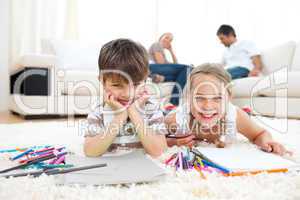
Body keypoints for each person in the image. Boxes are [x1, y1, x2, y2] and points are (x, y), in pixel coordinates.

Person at [164, 63, 291, 156]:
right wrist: (172, 142)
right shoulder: (177, 119)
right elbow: (149, 140)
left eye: (217, 98)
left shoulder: (234, 116)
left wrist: (267, 142)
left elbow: (259, 134)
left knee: (244, 115)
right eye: (199, 98)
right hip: (175, 112)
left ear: (229, 97)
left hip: (233, 113)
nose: (208, 106)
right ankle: (169, 107)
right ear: (188, 98)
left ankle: (246, 111)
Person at [84, 39, 167, 157]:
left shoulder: (151, 106)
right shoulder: (98, 108)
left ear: (146, 80)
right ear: (102, 81)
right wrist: (119, 116)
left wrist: (134, 113)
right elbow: (90, 151)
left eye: (137, 84)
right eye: (117, 85)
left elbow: (159, 151)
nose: (128, 94)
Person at [148, 33, 192, 106]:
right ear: (161, 37)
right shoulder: (157, 44)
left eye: (170, 40)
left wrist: (171, 50)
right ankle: (174, 102)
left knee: (183, 73)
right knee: (188, 68)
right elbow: (160, 62)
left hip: (157, 69)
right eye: (166, 37)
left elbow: (176, 63)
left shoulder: (164, 55)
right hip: (151, 67)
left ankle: (163, 78)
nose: (168, 40)